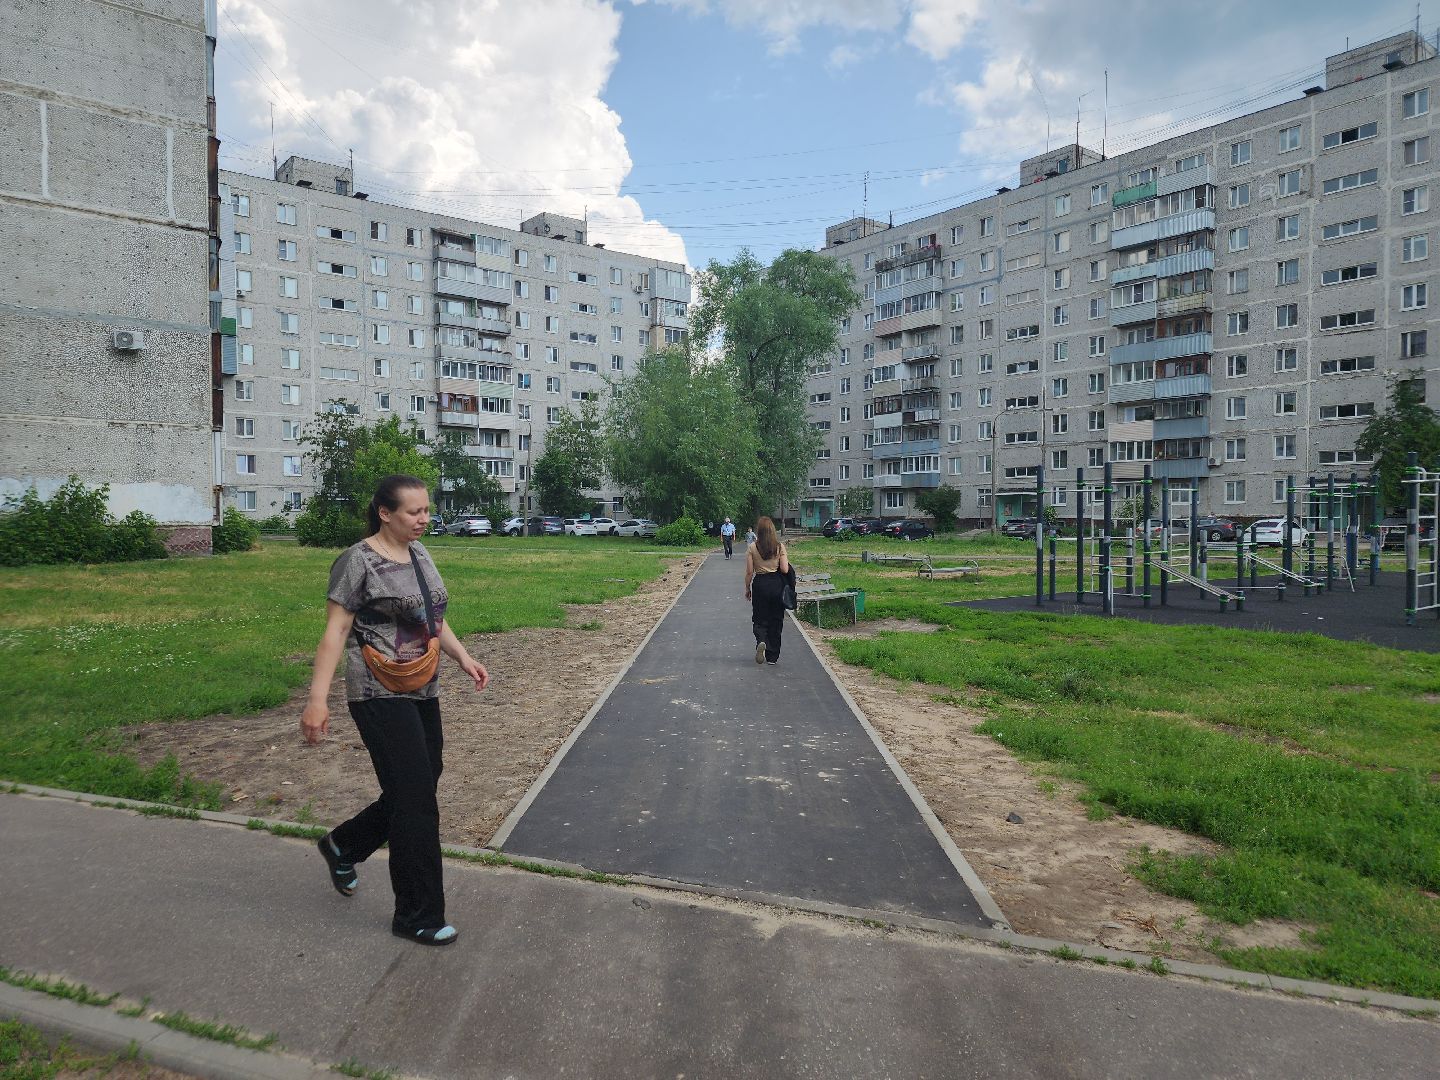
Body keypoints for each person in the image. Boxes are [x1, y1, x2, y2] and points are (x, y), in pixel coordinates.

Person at [300, 474, 489, 946]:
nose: (424, 519)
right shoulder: (358, 561)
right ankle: (417, 915)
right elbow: (334, 632)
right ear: (385, 513)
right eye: (413, 511)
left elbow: (433, 619)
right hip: (376, 690)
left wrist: (463, 657)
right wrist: (317, 699)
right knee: (416, 801)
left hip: (421, 685)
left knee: (421, 783)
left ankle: (345, 844)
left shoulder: (419, 553)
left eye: (426, 510)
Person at [744, 516, 790, 666]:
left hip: (760, 584)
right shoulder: (779, 547)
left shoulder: (752, 547)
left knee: (759, 617)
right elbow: (784, 569)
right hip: (776, 584)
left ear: (759, 531)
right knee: (776, 619)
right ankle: (772, 656)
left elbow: (749, 572)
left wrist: (747, 588)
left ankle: (761, 640)